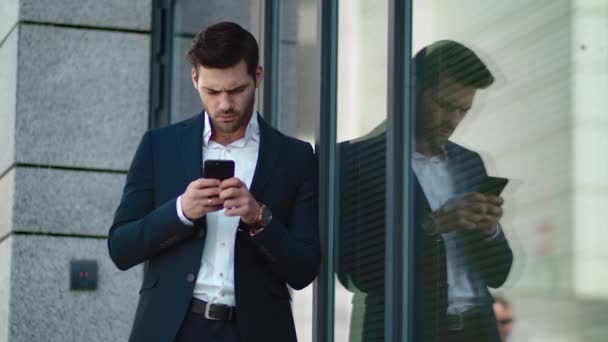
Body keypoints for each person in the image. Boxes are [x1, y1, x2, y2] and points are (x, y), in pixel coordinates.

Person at [108, 22, 321, 342]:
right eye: (212, 91)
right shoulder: (159, 146)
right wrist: (180, 211)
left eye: (236, 90)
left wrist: (259, 217)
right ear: (195, 79)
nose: (224, 104)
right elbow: (121, 248)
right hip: (174, 329)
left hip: (258, 331)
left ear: (258, 76)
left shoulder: (295, 156)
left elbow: (305, 269)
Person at [337, 40, 513, 342]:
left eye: (463, 110)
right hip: (406, 330)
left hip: (477, 329)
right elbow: (358, 274)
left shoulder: (469, 163)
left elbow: (498, 274)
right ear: (412, 89)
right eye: (444, 105)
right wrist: (433, 224)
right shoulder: (356, 162)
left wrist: (489, 230)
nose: (453, 120)